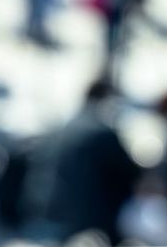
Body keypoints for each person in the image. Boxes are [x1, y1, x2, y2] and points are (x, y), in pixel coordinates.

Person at [24, 79, 142, 244]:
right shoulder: (101, 134)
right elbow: (131, 173)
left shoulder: (61, 130)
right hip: (88, 224)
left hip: (46, 216)